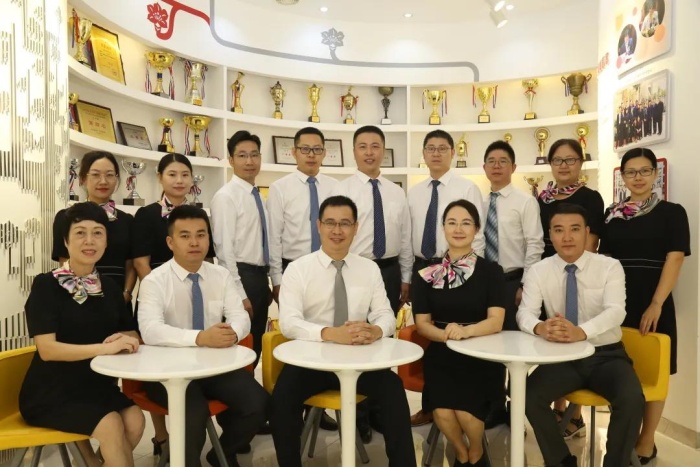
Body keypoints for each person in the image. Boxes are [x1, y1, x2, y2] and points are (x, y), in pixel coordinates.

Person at [270, 195, 416, 467]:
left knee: (393, 390)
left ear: (356, 228)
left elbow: (385, 314)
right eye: (330, 223)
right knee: (281, 400)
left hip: (359, 361)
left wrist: (376, 330)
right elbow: (289, 322)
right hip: (310, 361)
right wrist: (328, 333)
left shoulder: (369, 269)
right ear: (318, 226)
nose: (337, 230)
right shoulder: (298, 270)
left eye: (345, 223)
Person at [138, 205, 268, 467]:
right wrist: (199, 338)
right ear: (170, 242)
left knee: (259, 403)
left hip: (214, 366)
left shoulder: (221, 275)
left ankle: (221, 453)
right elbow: (150, 330)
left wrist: (232, 333)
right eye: (185, 236)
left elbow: (240, 316)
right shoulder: (155, 280)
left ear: (209, 239)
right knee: (193, 414)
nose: (194, 242)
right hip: (168, 372)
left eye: (201, 234)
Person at [517, 203, 645, 467]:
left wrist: (582, 332)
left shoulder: (609, 267)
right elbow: (524, 313)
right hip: (563, 357)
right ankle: (561, 461)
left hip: (607, 355)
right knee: (527, 395)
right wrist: (540, 327)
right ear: (550, 235)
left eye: (574, 229)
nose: (567, 237)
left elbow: (616, 311)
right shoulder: (539, 270)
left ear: (587, 232)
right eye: (558, 230)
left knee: (632, 399)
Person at [20, 202, 144, 467]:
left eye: (98, 233)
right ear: (65, 241)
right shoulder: (46, 285)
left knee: (135, 420)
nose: (90, 241)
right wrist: (103, 348)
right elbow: (47, 350)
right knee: (111, 424)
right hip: (52, 391)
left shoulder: (110, 287)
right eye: (80, 233)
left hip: (95, 385)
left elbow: (130, 332)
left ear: (106, 242)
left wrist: (126, 340)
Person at [600, 148, 690, 465]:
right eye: (631, 172)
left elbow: (675, 258)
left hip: (654, 301)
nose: (637, 177)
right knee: (620, 370)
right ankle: (624, 436)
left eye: (644, 171)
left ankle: (646, 440)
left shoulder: (672, 213)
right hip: (617, 302)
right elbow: (605, 260)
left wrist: (656, 303)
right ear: (622, 177)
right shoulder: (612, 214)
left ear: (655, 174)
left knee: (655, 372)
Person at [131, 153, 215, 454]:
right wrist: (164, 289)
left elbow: (208, 258)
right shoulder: (146, 215)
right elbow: (140, 262)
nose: (179, 180)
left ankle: (194, 415)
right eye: (172, 174)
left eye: (185, 174)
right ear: (160, 178)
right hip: (157, 294)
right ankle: (162, 434)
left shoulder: (198, 214)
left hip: (195, 291)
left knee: (194, 351)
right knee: (159, 361)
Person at [413, 199, 506, 467]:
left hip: (480, 350)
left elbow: (496, 321)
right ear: (443, 227)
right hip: (442, 351)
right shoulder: (427, 272)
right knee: (442, 411)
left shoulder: (491, 271)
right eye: (451, 222)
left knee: (465, 413)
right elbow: (422, 324)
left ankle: (476, 453)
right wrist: (445, 336)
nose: (458, 229)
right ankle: (461, 453)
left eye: (466, 223)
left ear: (477, 229)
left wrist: (465, 332)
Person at [407, 129, 485, 427]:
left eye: (442, 148)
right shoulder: (415, 192)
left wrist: (467, 273)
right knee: (428, 336)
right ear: (424, 154)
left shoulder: (467, 188)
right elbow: (407, 237)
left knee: (454, 333)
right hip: (422, 269)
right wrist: (408, 276)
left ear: (453, 152)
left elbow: (477, 237)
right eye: (431, 148)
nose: (436, 153)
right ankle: (431, 406)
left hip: (456, 268)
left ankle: (464, 407)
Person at [266, 126, 339, 432]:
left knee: (325, 332)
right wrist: (277, 279)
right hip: (293, 269)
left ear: (324, 153)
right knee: (298, 336)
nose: (311, 155)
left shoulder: (335, 186)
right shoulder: (280, 188)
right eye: (305, 149)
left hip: (327, 267)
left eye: (317, 149)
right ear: (293, 152)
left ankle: (319, 408)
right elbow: (274, 236)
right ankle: (293, 406)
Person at [537, 139, 604, 437]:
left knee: (574, 338)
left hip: (577, 275)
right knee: (554, 338)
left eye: (570, 160)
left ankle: (574, 415)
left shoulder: (591, 198)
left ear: (581, 163)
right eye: (558, 160)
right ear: (550, 164)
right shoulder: (542, 199)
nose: (564, 166)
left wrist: (573, 270)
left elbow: (591, 242)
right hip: (547, 275)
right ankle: (558, 407)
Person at [481, 140, 544, 428]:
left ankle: (516, 411)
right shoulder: (479, 203)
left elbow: (535, 245)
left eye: (503, 161)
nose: (496, 166)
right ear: (484, 167)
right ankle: (494, 405)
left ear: (514, 167)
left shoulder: (525, 202)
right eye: (491, 161)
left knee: (514, 347)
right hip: (485, 282)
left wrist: (526, 285)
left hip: (513, 281)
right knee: (490, 345)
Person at [332, 125, 412, 315]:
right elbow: (333, 237)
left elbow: (405, 238)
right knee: (351, 325)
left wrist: (406, 277)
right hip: (353, 269)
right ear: (354, 152)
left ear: (383, 150)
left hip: (390, 272)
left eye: (375, 146)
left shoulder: (397, 192)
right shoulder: (341, 190)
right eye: (363, 147)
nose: (369, 152)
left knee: (386, 326)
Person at [211, 130, 271, 370]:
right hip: (241, 277)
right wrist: (239, 293)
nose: (249, 161)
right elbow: (224, 251)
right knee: (240, 347)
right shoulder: (226, 197)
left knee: (255, 344)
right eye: (242, 155)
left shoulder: (258, 195)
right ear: (231, 160)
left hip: (259, 277)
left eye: (254, 155)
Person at [52, 151, 136, 311]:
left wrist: (126, 294)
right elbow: (64, 260)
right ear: (83, 179)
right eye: (96, 175)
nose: (103, 181)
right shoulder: (66, 217)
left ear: (117, 179)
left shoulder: (127, 221)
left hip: (118, 299)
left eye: (109, 175)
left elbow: (131, 264)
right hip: (78, 296)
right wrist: (79, 296)